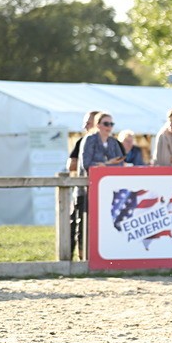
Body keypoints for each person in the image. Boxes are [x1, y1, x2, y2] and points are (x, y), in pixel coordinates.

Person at [67, 110, 100, 260]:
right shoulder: (82, 141)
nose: (84, 126)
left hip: (101, 192)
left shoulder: (109, 143)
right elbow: (71, 166)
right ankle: (79, 259)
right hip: (82, 191)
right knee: (78, 226)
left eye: (88, 122)